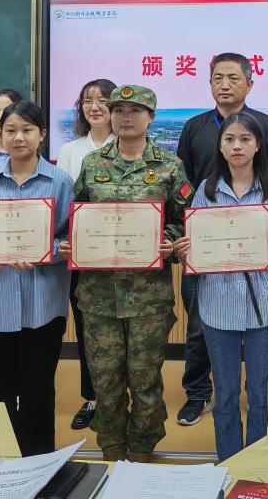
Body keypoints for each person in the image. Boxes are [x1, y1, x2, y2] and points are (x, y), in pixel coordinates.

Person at [69, 84, 193, 462]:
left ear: (150, 117)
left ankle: (142, 449)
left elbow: (185, 220)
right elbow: (78, 216)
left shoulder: (169, 166)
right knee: (105, 381)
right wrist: (73, 241)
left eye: (135, 110)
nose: (125, 117)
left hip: (147, 298)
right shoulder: (93, 164)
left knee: (145, 381)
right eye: (118, 110)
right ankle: (111, 448)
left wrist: (168, 241)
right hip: (98, 297)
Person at [172, 111, 268, 461]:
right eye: (229, 139)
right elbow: (196, 247)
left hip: (264, 305)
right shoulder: (206, 191)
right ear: (220, 146)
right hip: (218, 305)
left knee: (259, 393)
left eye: (245, 139)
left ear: (258, 145)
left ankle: (256, 466)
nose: (237, 146)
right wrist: (187, 249)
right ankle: (229, 462)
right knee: (225, 395)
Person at [0, 101, 73, 457]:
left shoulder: (61, 182)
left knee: (38, 392)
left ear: (41, 135)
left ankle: (38, 464)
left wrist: (47, 250)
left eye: (27, 130)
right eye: (10, 130)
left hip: (42, 305)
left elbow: (71, 240)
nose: (18, 137)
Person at [55, 77, 116, 431]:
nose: (95, 107)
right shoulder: (70, 150)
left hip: (124, 253)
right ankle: (92, 398)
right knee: (87, 328)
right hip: (84, 255)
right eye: (88, 100)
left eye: (103, 100)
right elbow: (65, 205)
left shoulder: (128, 145)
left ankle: (119, 397)